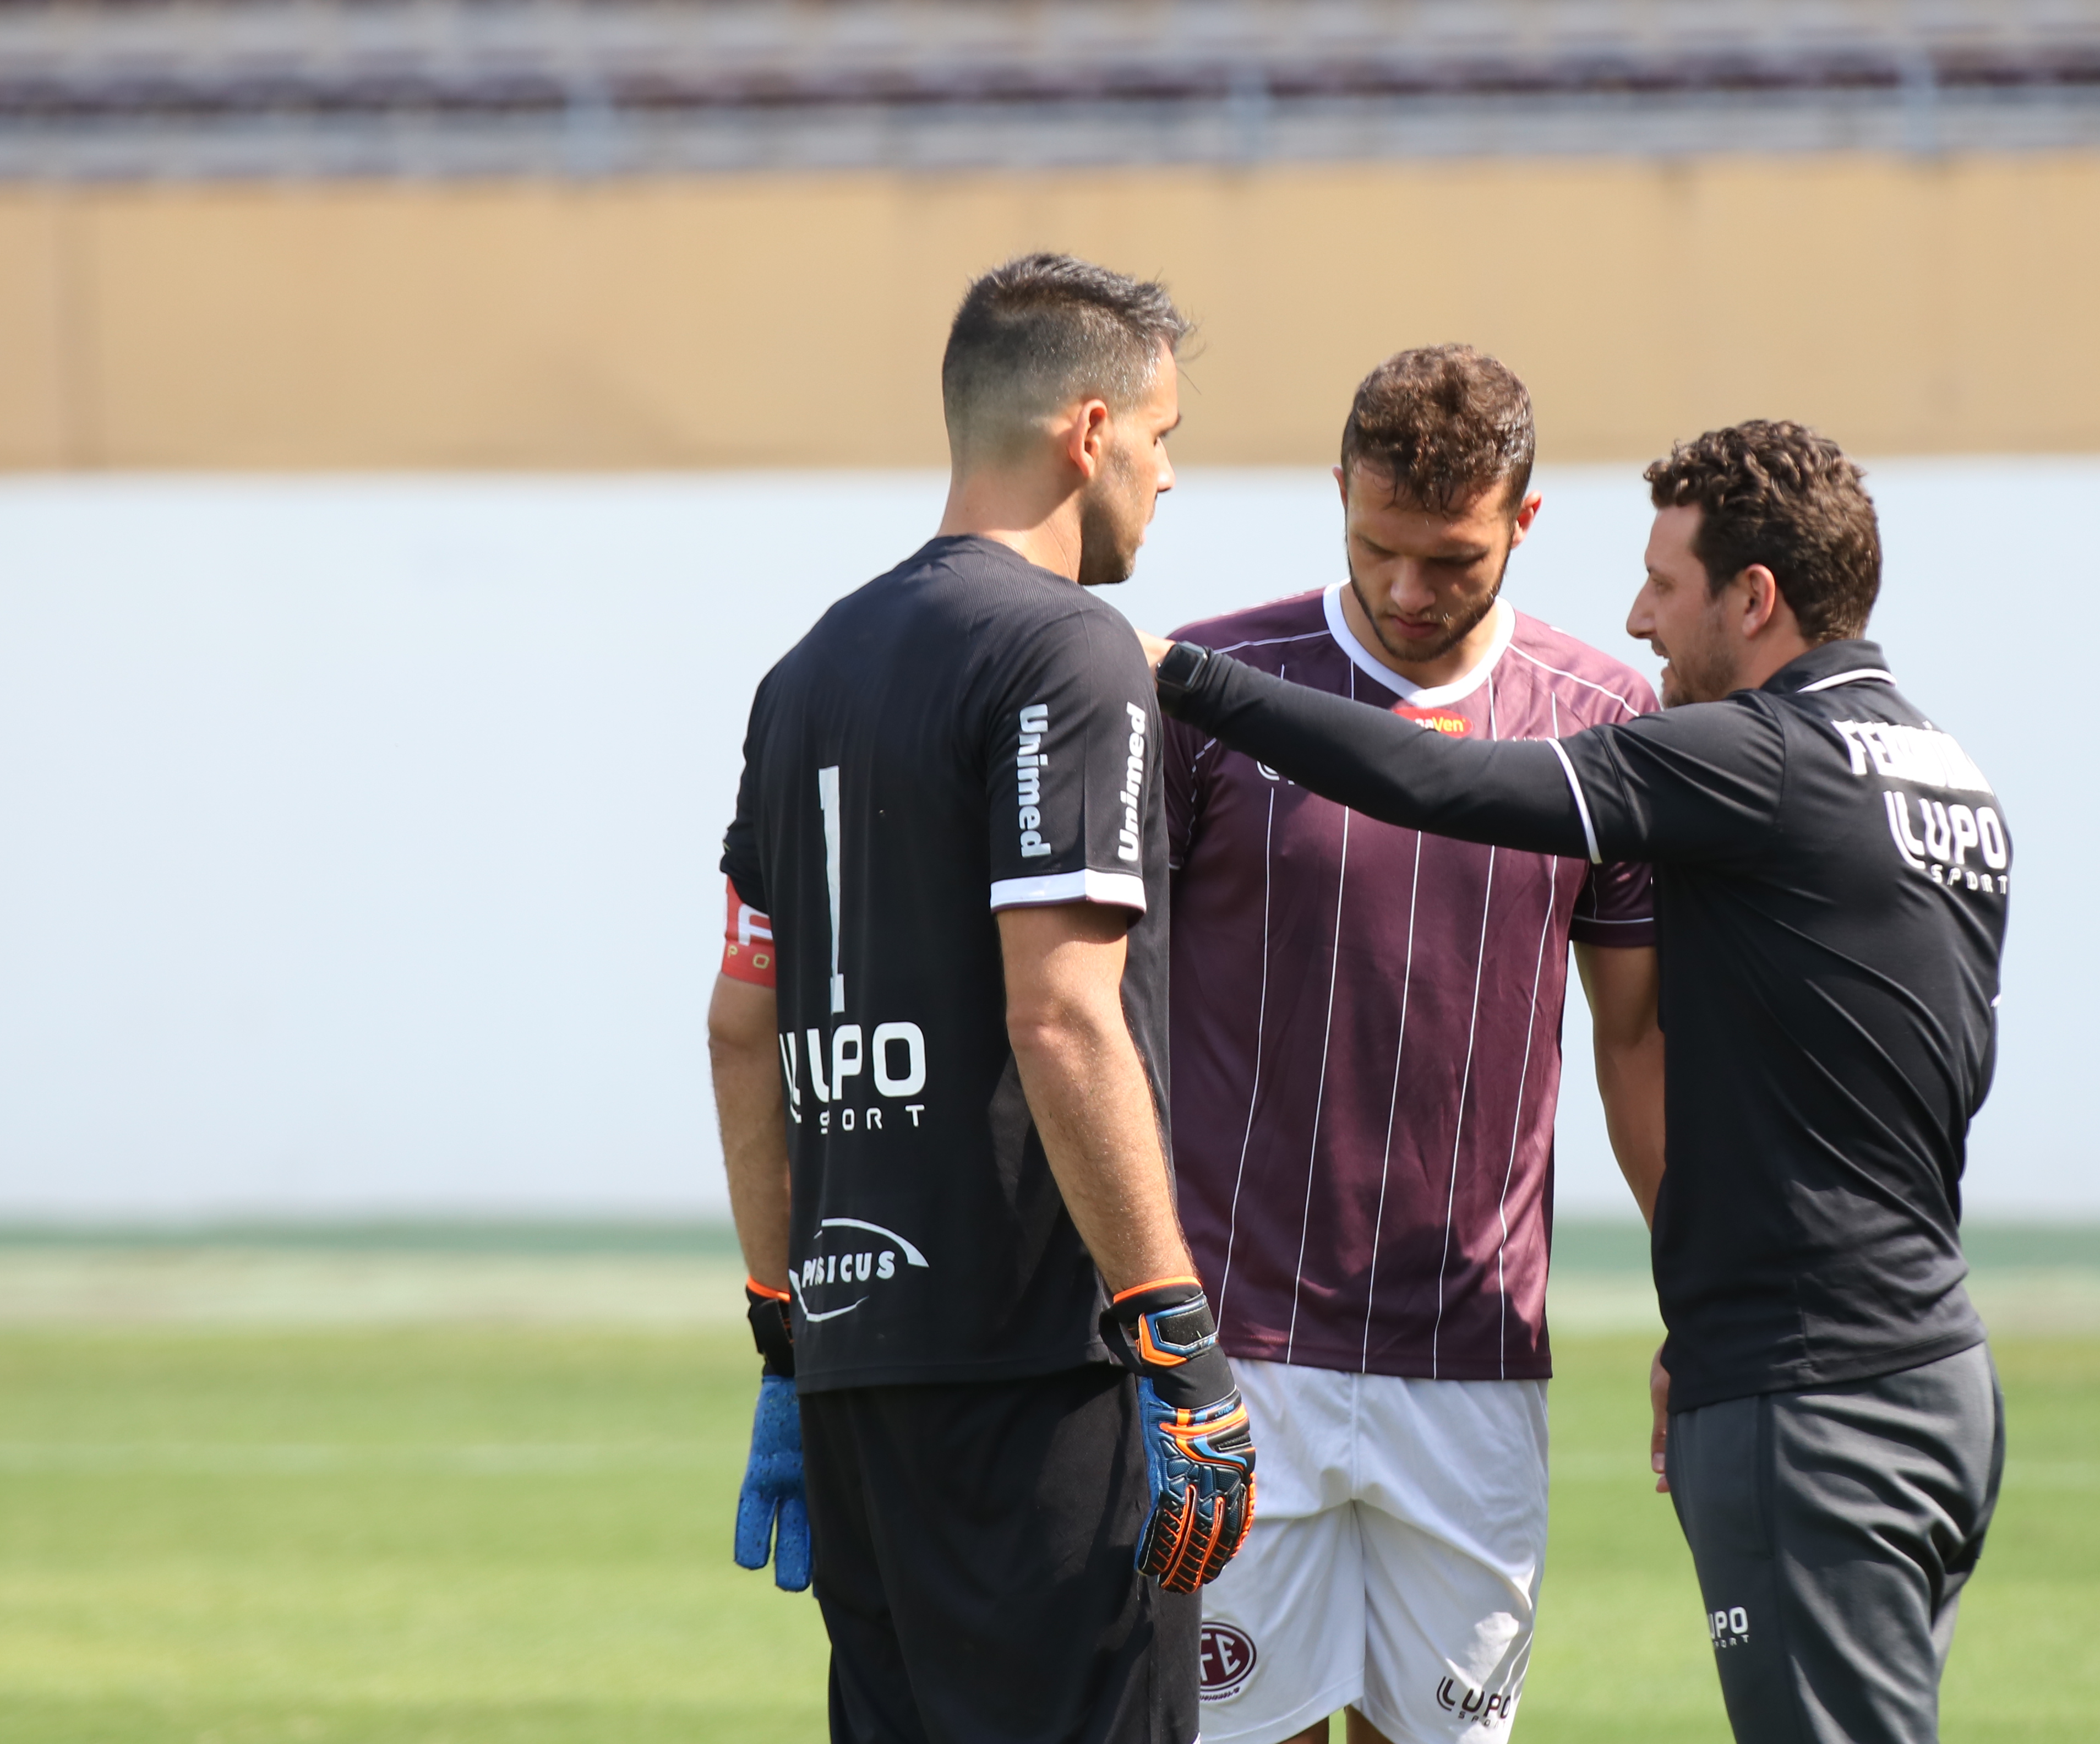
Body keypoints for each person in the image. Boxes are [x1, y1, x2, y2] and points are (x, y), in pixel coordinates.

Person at [1144, 420, 2008, 1744]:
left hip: (1801, 1382)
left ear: (1756, 596)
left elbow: (1440, 772)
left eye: (1666, 582)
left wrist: (1178, 674)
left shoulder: (1750, 758)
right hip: (1932, 1367)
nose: (1639, 616)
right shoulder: (1951, 780)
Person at [705, 252, 1258, 1744]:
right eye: (1166, 438)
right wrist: (1177, 1340)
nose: (1166, 478)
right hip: (1043, 1379)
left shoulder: (803, 671)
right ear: (1090, 432)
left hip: (855, 1375)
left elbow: (742, 1024)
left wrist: (783, 1332)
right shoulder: (1068, 650)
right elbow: (1064, 1016)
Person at [1162, 346, 1666, 1744]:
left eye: (1450, 558)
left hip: (1475, 1353)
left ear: (1524, 519)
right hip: (1238, 1347)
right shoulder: (1210, 693)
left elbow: (1638, 1047)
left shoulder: (1604, 726)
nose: (1405, 590)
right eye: (1377, 546)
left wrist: (1708, 1301)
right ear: (1336, 495)